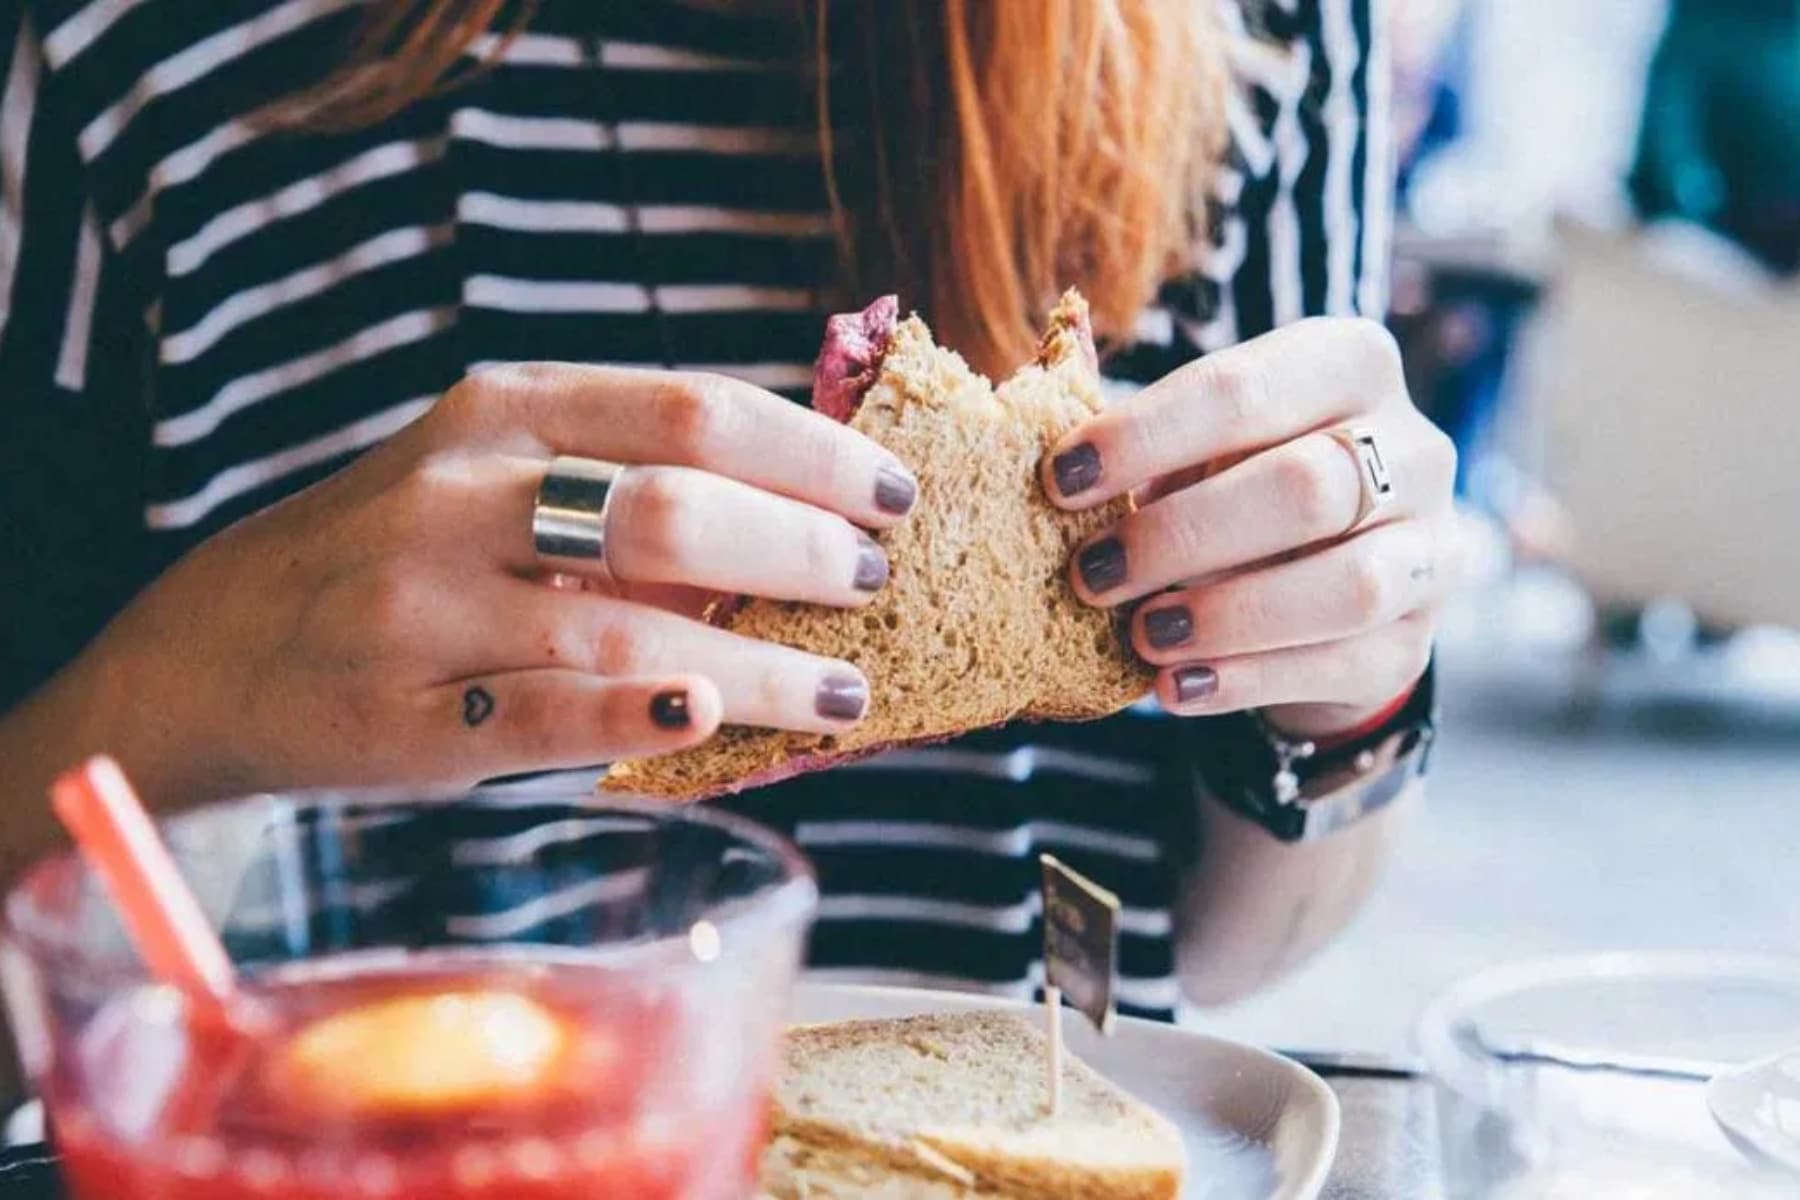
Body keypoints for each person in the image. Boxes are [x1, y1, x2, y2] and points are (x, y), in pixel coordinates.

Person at [0, 0, 1456, 1027]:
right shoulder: (135, 47)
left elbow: (1232, 946)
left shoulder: (1250, 30)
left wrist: (1349, 687)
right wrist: (187, 691)